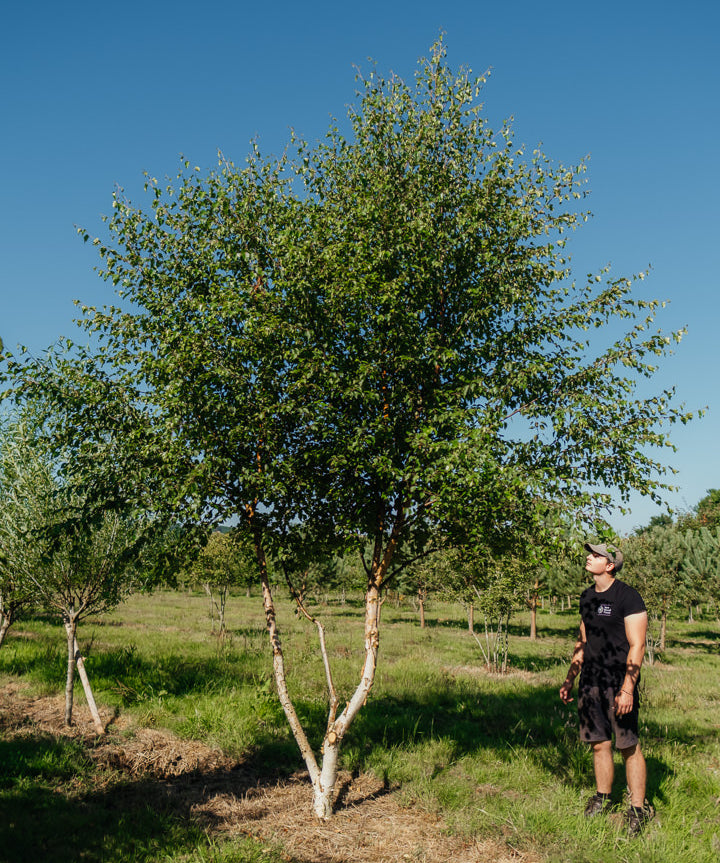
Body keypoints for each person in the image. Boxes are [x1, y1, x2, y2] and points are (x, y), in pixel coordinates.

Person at [559, 542, 653, 836]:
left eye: (596, 555)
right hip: (591, 680)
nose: (589, 557)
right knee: (599, 743)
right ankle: (602, 797)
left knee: (627, 744)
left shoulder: (628, 597)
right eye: (591, 553)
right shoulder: (587, 596)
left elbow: (637, 645)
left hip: (618, 681)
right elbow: (583, 639)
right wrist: (570, 677)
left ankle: (638, 808)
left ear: (610, 565)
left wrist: (627, 688)